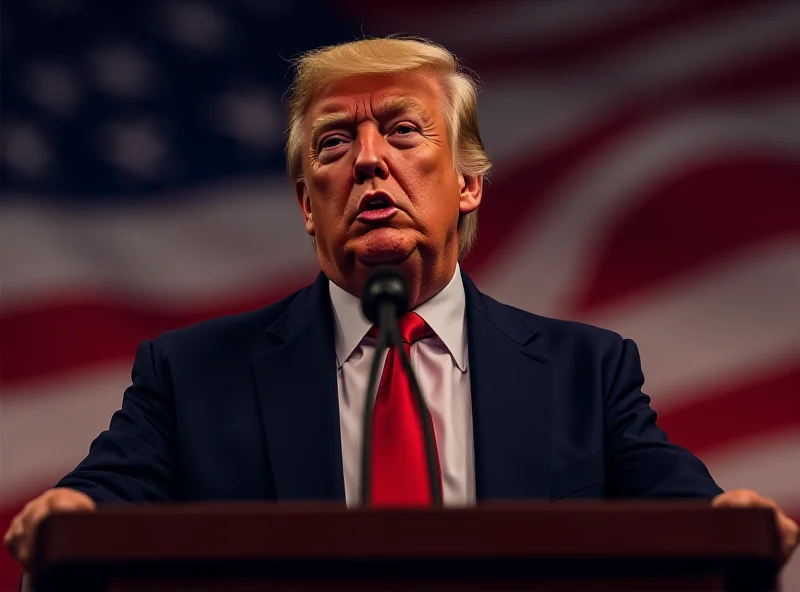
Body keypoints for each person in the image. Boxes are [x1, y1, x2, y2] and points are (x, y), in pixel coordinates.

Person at [5, 36, 797, 572]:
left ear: (468, 182)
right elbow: (103, 494)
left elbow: (675, 498)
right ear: (308, 205)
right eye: (333, 143)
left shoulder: (585, 371)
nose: (370, 161)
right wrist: (71, 508)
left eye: (404, 130)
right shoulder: (192, 375)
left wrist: (729, 515)